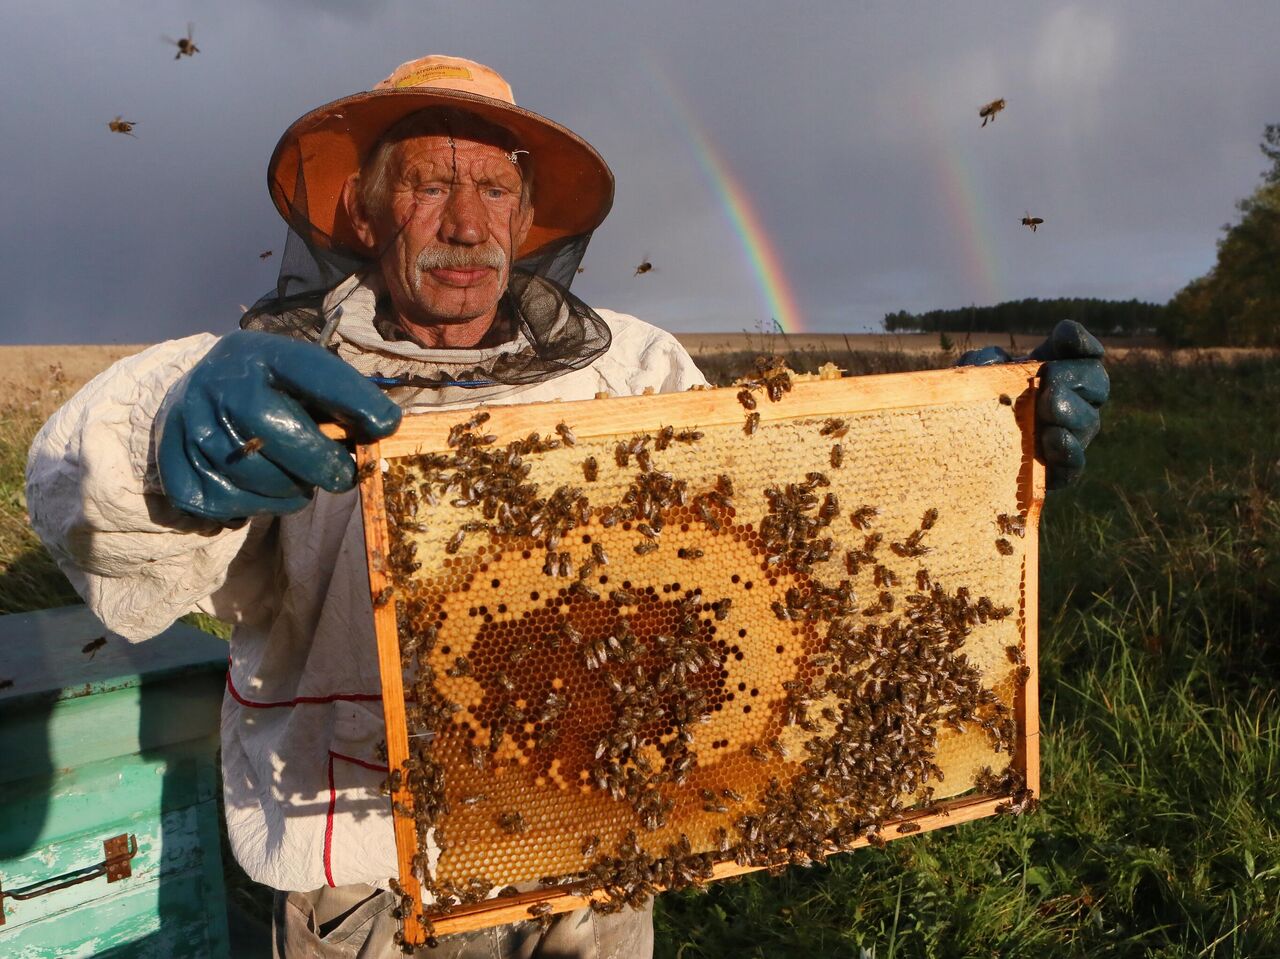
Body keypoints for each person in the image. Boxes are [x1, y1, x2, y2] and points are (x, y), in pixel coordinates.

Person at [26, 55, 1107, 959]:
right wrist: (161, 443)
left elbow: (779, 531)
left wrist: (971, 433)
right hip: (360, 868)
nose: (465, 220)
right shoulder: (276, 376)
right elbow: (92, 503)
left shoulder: (630, 366)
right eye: (426, 184)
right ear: (361, 208)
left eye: (495, 190)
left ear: (531, 215)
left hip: (600, 842)